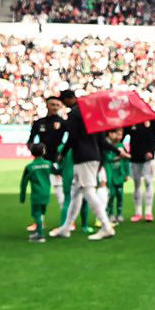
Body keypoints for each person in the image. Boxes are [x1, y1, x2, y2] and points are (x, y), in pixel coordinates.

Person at [49, 88, 115, 241]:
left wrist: (62, 154)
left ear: (67, 100)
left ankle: (106, 226)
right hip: (93, 156)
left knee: (88, 191)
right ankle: (66, 228)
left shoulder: (74, 114)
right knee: (76, 192)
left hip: (83, 157)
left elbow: (72, 137)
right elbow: (101, 138)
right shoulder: (90, 112)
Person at [27, 96, 68, 213]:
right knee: (40, 193)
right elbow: (30, 141)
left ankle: (68, 222)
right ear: (47, 105)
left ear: (60, 106)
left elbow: (71, 139)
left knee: (60, 193)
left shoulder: (63, 123)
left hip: (57, 161)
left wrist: (63, 153)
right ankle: (40, 222)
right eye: (52, 104)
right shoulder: (39, 123)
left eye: (57, 105)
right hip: (42, 162)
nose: (55, 107)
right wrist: (35, 152)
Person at [126, 118, 155, 222]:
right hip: (135, 157)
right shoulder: (131, 121)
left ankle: (148, 212)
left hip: (148, 158)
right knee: (136, 184)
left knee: (148, 182)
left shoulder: (153, 121)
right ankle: (137, 212)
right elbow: (123, 134)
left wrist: (151, 150)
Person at [20, 141, 54, 242]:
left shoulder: (29, 167)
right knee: (42, 212)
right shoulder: (48, 164)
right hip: (46, 193)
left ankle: (40, 235)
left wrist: (22, 197)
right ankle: (39, 231)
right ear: (44, 152)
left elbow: (23, 183)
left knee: (37, 214)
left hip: (36, 194)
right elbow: (58, 171)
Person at [102, 130, 130, 224]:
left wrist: (127, 173)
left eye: (121, 135)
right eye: (117, 134)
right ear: (110, 134)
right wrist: (120, 156)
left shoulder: (121, 146)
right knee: (111, 194)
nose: (119, 137)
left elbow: (126, 161)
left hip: (120, 174)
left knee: (120, 195)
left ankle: (119, 214)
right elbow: (108, 159)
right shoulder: (107, 146)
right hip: (111, 174)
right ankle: (110, 214)